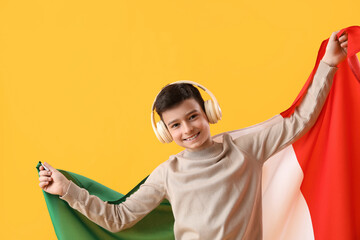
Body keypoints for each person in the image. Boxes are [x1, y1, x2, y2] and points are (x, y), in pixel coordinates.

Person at [38, 30, 348, 239]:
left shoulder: (245, 147)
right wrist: (67, 190)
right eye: (175, 125)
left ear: (208, 113)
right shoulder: (168, 173)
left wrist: (328, 65)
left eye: (193, 117)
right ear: (164, 131)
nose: (187, 129)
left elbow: (300, 121)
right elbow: (118, 218)